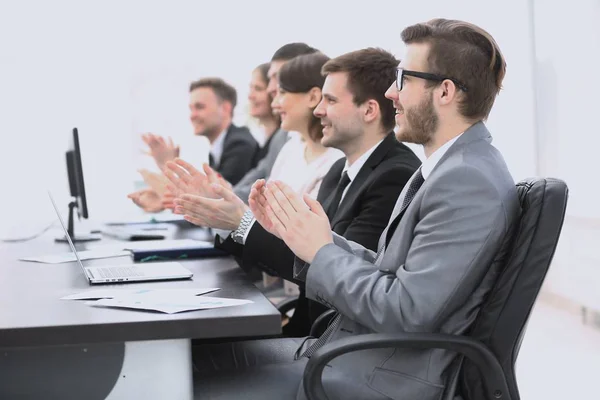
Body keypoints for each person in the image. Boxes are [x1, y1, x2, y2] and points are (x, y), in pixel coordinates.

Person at [191, 18, 520, 400]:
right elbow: (387, 271)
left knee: (181, 380)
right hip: (353, 354)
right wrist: (306, 236)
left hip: (377, 376)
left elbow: (406, 309)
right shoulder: (451, 168)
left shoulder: (467, 180)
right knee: (188, 357)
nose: (391, 94)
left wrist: (321, 250)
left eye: (404, 80)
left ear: (444, 91)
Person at [171, 48, 421, 336]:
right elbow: (307, 259)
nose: (318, 110)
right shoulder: (341, 169)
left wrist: (240, 223)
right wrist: (233, 222)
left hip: (330, 342)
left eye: (330, 100)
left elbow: (335, 275)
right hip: (309, 329)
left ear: (369, 111)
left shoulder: (394, 175)